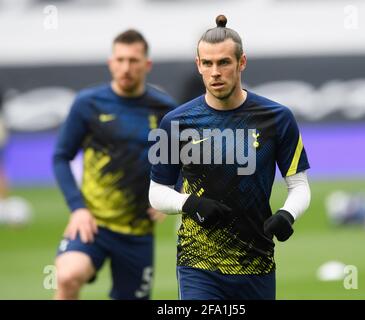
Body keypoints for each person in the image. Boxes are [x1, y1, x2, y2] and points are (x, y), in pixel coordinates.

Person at [148, 15, 311, 300]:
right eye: (207, 63)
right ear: (198, 65)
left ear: (241, 62)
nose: (215, 72)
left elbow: (299, 186)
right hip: (197, 263)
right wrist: (190, 203)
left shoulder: (277, 118)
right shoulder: (175, 122)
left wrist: (288, 214)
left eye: (224, 62)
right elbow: (156, 192)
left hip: (256, 261)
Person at [53, 29, 177, 300]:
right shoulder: (88, 104)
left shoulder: (165, 109)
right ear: (111, 63)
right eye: (120, 60)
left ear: (147, 65)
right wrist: (77, 208)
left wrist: (173, 192)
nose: (126, 67)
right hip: (92, 224)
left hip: (138, 231)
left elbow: (185, 160)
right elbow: (61, 156)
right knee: (67, 276)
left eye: (133, 61)